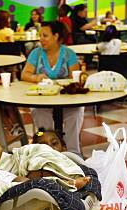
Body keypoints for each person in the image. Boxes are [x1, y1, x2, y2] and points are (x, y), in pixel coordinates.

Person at [21, 21, 84, 156]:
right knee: (39, 112)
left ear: (56, 36)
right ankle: (48, 151)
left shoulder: (69, 54)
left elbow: (75, 78)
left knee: (75, 112)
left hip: (67, 99)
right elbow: (24, 74)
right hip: (42, 99)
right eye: (40, 35)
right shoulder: (36, 53)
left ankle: (72, 152)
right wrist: (36, 78)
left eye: (45, 35)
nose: (41, 39)